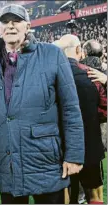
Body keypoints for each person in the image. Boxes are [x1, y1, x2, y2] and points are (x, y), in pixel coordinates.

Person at [0, 4, 84, 204]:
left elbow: (70, 108)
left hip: (46, 162)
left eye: (16, 21)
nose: (10, 26)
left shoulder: (52, 55)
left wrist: (74, 155)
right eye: (5, 22)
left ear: (27, 26)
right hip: (7, 163)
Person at [57, 34, 106, 204]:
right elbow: (104, 111)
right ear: (79, 50)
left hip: (61, 148)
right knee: (95, 196)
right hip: (90, 145)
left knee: (65, 194)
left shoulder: (51, 78)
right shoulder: (93, 76)